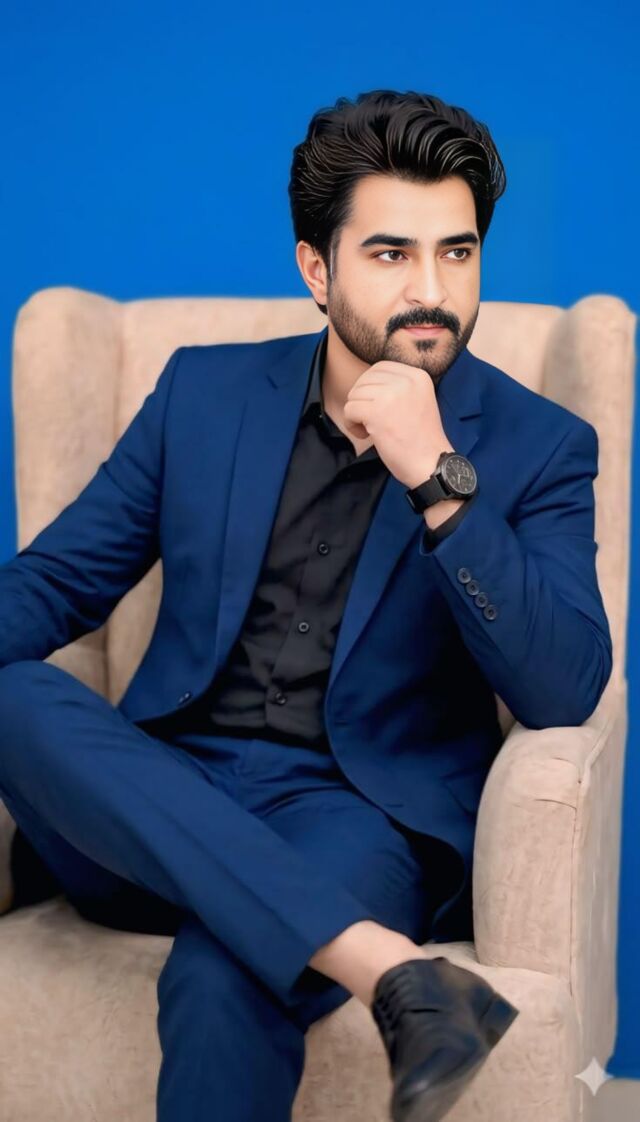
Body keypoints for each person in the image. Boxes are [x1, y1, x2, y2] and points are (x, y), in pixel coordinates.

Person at [0, 89, 612, 1122]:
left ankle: (337, 939)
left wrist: (439, 480)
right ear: (316, 269)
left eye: (456, 253)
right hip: (153, 799)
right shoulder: (201, 395)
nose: (431, 291)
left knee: (227, 972)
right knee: (14, 694)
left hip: (355, 822)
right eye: (390, 255)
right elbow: (56, 583)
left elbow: (566, 687)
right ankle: (389, 970)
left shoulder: (540, 444)